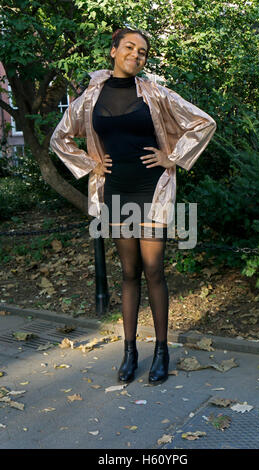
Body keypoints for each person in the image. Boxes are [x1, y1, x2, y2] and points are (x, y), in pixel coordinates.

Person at [50, 27, 216, 386]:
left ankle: (161, 351)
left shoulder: (154, 93)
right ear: (113, 51)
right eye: (130, 47)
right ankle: (129, 352)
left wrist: (171, 156)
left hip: (151, 188)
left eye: (142, 52)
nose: (136, 55)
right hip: (116, 191)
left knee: (154, 270)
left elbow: (203, 122)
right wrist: (90, 162)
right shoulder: (90, 97)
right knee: (128, 273)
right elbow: (60, 136)